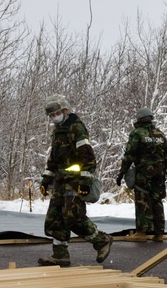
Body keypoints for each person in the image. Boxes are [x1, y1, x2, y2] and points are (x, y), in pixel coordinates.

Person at [37, 94, 112, 267]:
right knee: (55, 218)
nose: (53, 117)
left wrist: (85, 181)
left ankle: (102, 241)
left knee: (73, 217)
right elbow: (54, 158)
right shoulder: (58, 131)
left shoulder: (76, 128)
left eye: (55, 114)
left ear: (65, 110)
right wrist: (46, 179)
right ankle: (60, 254)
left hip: (75, 180)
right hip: (61, 180)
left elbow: (88, 156)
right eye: (51, 115)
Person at [116, 107, 167, 241]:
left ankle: (141, 232)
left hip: (143, 173)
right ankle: (159, 233)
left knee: (142, 200)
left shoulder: (137, 134)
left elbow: (129, 155)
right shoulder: (160, 134)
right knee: (157, 201)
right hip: (159, 172)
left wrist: (122, 173)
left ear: (139, 119)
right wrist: (163, 171)